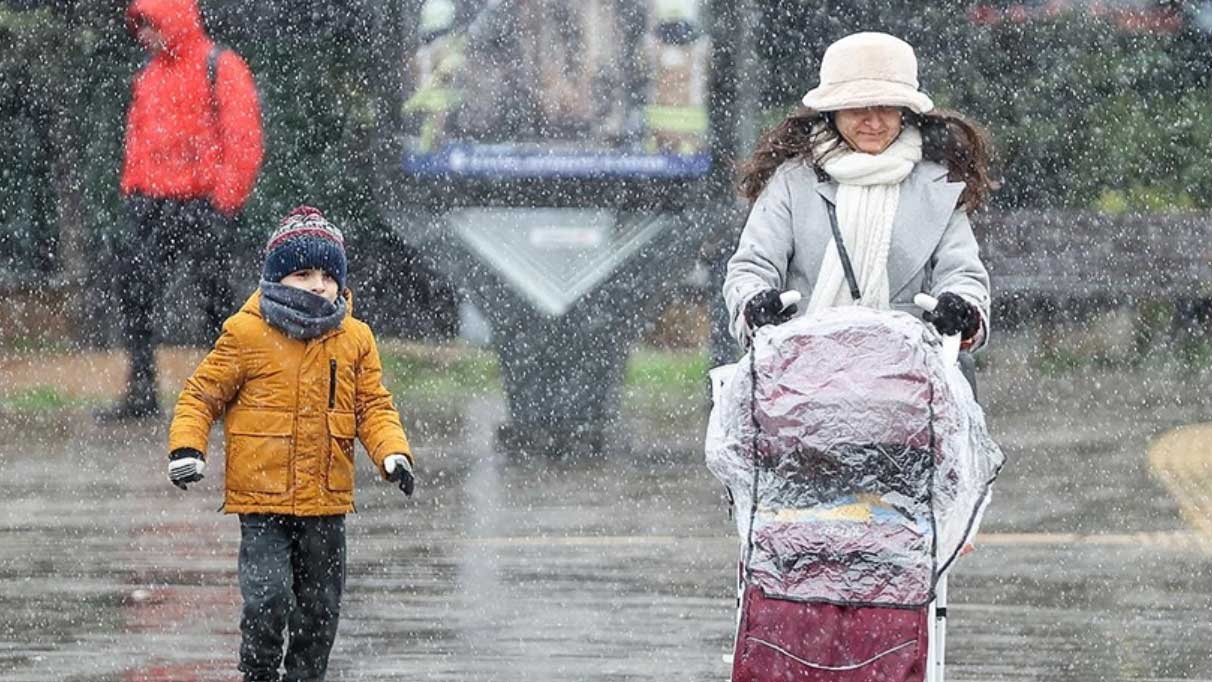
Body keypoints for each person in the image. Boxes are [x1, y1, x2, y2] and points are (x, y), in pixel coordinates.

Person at [165, 206, 416, 682]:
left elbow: (373, 406)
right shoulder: (246, 333)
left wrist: (392, 453)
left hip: (326, 502)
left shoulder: (355, 339)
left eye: (327, 275)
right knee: (269, 595)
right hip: (262, 500)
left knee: (321, 606)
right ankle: (258, 671)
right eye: (304, 273)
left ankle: (306, 676)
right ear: (277, 278)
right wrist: (187, 449)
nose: (319, 285)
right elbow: (201, 395)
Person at [723, 31, 993, 354]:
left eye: (886, 107)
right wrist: (755, 306)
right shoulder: (792, 182)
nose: (874, 122)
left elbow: (963, 275)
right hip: (802, 380)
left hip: (913, 384)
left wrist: (961, 313)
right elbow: (751, 267)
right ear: (832, 111)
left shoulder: (939, 186)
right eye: (857, 108)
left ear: (905, 111)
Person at [102, 0, 264, 420]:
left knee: (216, 303)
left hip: (201, 204)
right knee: (135, 291)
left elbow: (243, 139)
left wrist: (222, 203)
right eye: (139, 25)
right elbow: (138, 139)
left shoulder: (220, 65)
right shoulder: (150, 76)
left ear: (170, 21)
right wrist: (135, 191)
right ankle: (142, 391)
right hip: (153, 204)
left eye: (149, 24)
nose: (142, 35)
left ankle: (228, 395)